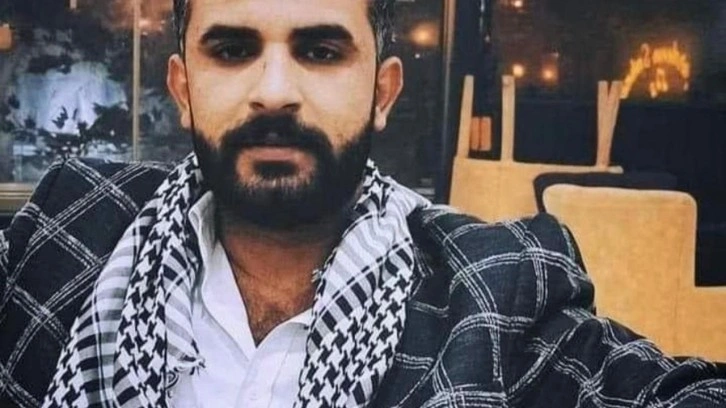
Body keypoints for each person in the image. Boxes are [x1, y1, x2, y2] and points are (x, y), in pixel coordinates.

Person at [0, 0, 725, 407]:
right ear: (184, 88)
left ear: (382, 93)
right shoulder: (72, 232)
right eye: (233, 50)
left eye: (320, 51)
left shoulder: (493, 290)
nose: (274, 91)